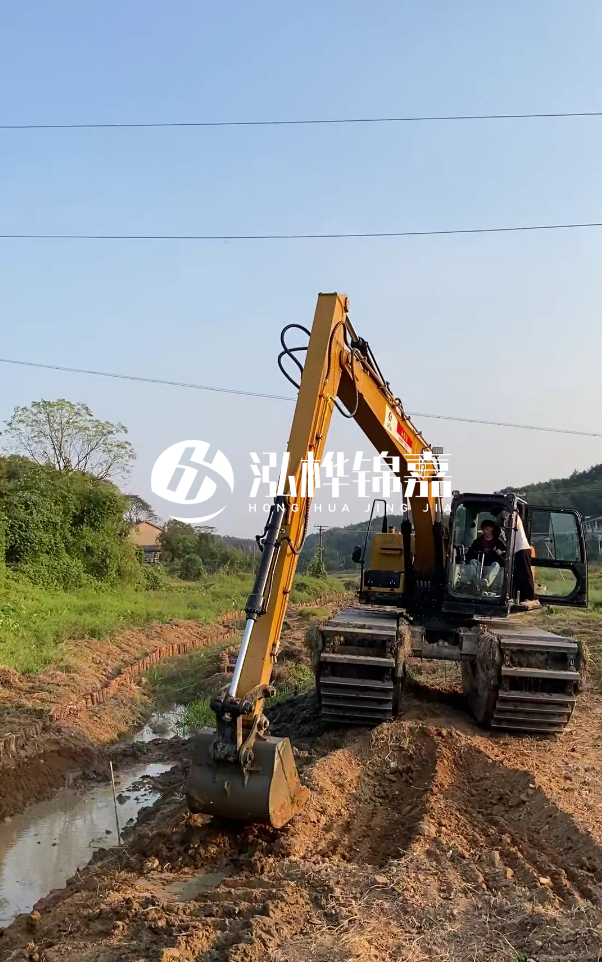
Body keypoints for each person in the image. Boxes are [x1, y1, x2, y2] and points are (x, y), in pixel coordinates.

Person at [498, 510, 540, 609]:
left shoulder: (513, 515)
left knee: (526, 574)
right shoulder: (509, 516)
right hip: (516, 549)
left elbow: (510, 529)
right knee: (518, 575)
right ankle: (521, 597)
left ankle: (532, 599)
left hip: (522, 548)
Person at [461, 520, 506, 590]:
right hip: (479, 566)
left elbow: (505, 556)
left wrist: (501, 552)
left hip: (490, 567)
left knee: (496, 565)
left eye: (487, 529)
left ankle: (485, 582)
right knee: (472, 562)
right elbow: (470, 553)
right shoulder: (477, 542)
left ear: (492, 528)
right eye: (483, 529)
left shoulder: (499, 543)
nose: (485, 531)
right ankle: (476, 583)